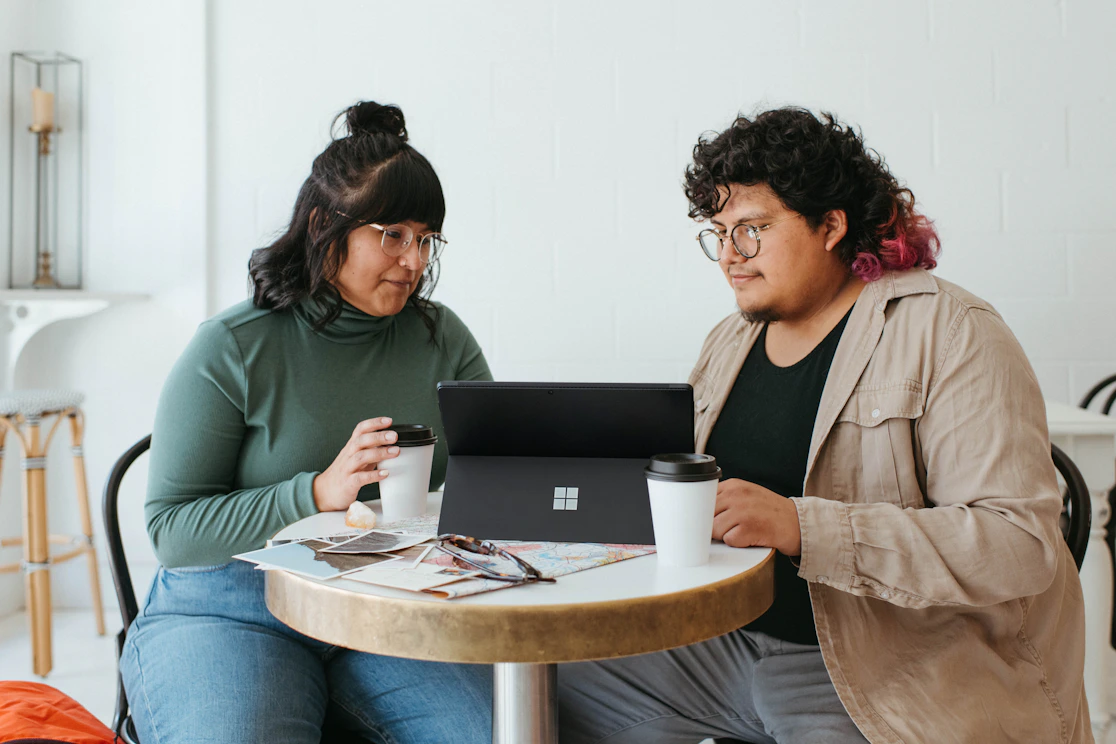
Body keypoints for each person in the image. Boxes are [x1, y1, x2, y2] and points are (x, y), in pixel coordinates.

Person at [558, 108, 1090, 743]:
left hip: (890, 664)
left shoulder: (950, 330)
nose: (729, 256)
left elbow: (1018, 545)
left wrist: (802, 525)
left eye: (752, 229)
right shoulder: (727, 343)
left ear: (831, 224)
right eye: (718, 233)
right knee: (542, 681)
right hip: (725, 645)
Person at [121, 101, 494, 743]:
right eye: (393, 234)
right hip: (230, 610)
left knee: (492, 733)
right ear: (325, 225)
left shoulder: (441, 338)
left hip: (389, 608)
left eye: (426, 238)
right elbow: (172, 529)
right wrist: (317, 493)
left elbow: (494, 472)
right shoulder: (233, 346)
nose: (413, 260)